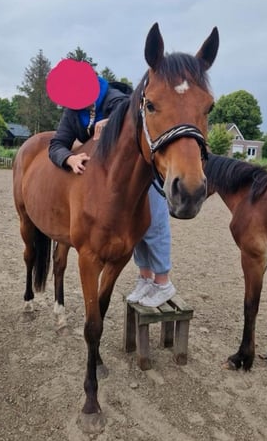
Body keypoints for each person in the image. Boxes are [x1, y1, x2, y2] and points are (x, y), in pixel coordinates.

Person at [45, 59, 177, 307]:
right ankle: (145, 277)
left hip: (135, 171)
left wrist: (113, 120)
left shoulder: (115, 98)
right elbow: (56, 144)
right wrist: (69, 158)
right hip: (105, 180)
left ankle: (162, 280)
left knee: (153, 217)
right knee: (133, 230)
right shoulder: (73, 111)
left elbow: (133, 111)